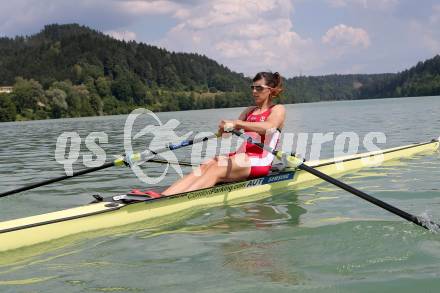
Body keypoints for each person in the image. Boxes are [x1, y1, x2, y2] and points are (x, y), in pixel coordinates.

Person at [161, 72, 285, 196]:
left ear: (270, 90)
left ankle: (183, 198)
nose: (254, 91)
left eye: (259, 88)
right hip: (242, 156)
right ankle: (164, 196)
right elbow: (226, 136)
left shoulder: (277, 109)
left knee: (217, 168)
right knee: (207, 164)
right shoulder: (249, 110)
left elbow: (269, 127)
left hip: (261, 159)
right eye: (252, 87)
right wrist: (223, 129)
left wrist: (236, 123)